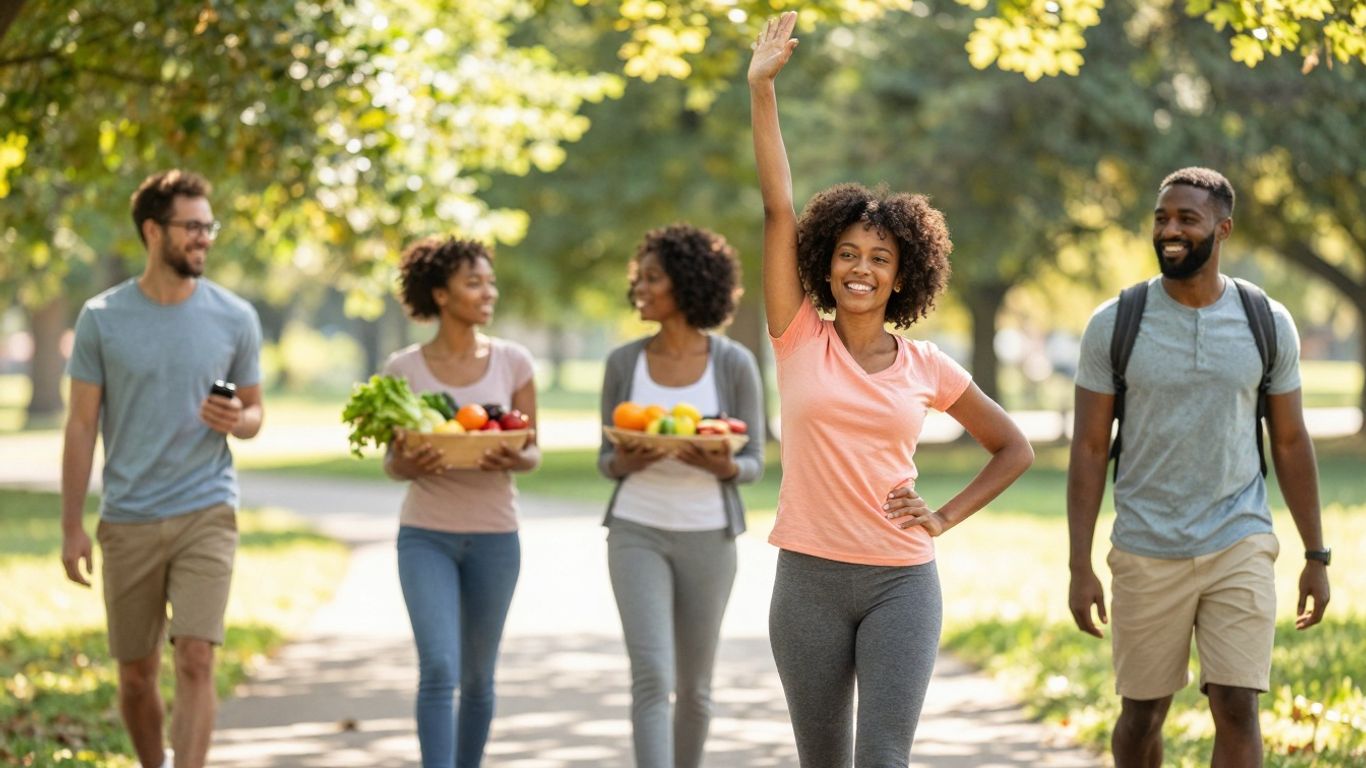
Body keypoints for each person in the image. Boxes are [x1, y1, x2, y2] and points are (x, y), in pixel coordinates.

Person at [748, 12, 1034, 766]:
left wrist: (941, 517)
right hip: (806, 578)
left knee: (882, 756)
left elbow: (1014, 447)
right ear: (825, 262)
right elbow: (778, 206)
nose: (861, 268)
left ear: (903, 274)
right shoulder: (797, 334)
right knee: (823, 758)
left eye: (879, 257)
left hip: (901, 584)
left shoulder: (929, 366)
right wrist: (762, 90)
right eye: (847, 253)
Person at [1067, 167, 1330, 767]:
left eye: (1187, 218)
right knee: (1143, 715)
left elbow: (1290, 442)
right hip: (1145, 545)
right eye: (1162, 218)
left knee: (1238, 703)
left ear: (1223, 228)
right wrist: (1080, 565)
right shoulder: (1115, 322)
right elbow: (1087, 448)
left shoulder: (1267, 321)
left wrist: (1316, 556)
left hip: (1238, 538)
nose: (1170, 230)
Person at [60, 169, 265, 768]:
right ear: (153, 230)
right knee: (135, 675)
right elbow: (80, 426)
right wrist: (72, 525)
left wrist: (238, 421)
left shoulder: (236, 317)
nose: (204, 238)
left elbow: (255, 413)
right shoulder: (102, 318)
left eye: (209, 226)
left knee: (197, 657)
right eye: (192, 227)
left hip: (208, 506)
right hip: (129, 516)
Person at [597, 224, 767, 768]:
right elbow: (607, 459)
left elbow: (755, 462)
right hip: (635, 531)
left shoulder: (734, 363)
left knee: (695, 689)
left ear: (688, 283)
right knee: (652, 677)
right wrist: (626, 460)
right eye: (637, 278)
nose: (639, 289)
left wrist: (724, 466)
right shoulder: (623, 364)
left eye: (653, 278)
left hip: (708, 539)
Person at [383, 235, 540, 768]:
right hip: (425, 535)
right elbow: (392, 462)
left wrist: (512, 458)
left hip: (496, 538)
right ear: (441, 295)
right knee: (439, 669)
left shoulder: (514, 362)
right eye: (473, 282)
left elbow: (531, 450)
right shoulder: (402, 370)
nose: (487, 291)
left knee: (477, 678)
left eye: (489, 281)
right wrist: (412, 463)